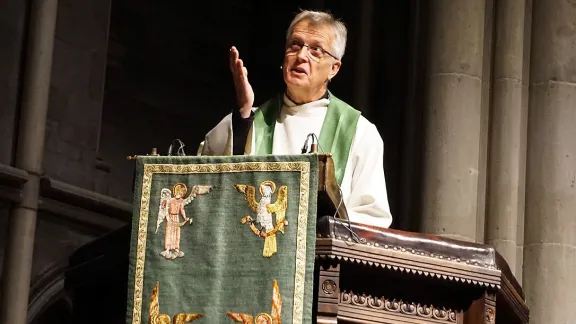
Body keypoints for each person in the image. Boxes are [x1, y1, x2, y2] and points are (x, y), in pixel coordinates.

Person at [199, 10, 392, 228]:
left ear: (334, 69)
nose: (301, 56)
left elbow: (372, 219)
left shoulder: (359, 132)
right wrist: (243, 115)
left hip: (320, 260)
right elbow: (206, 180)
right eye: (295, 45)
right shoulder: (248, 119)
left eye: (316, 50)